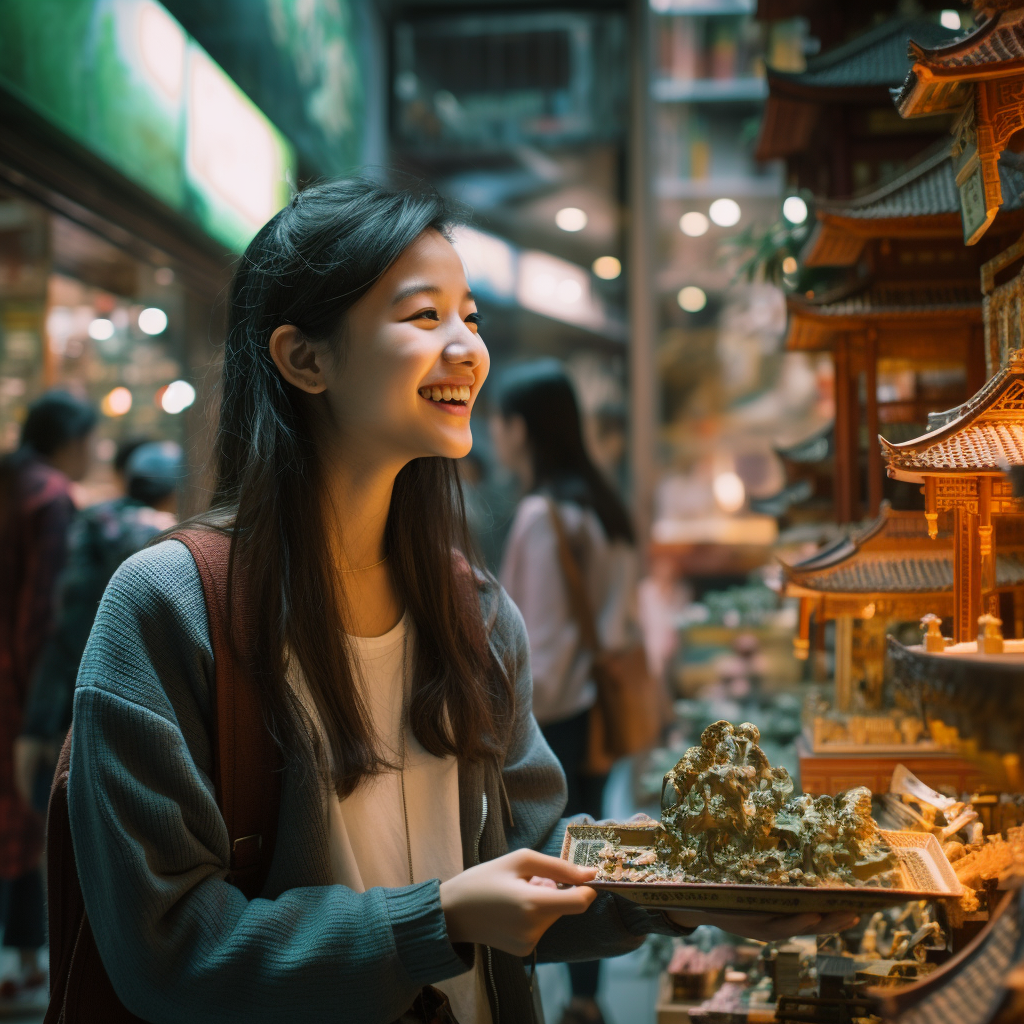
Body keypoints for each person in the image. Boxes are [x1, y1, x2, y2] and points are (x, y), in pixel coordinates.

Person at [67, 180, 856, 1024]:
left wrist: (697, 890)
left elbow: (530, 857)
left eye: (470, 317)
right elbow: (167, 946)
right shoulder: (168, 609)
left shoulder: (472, 609)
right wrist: (437, 920)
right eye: (422, 317)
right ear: (305, 359)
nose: (468, 349)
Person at [490, 360, 640, 1024]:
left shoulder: (541, 517)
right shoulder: (601, 507)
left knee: (561, 855)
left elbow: (540, 646)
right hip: (597, 708)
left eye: (498, 421)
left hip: (555, 716)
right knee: (592, 850)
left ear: (520, 428)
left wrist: (508, 731)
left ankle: (569, 1003)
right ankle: (587, 997)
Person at [14, 440, 183, 802]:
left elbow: (66, 631)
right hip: (147, 726)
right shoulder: (175, 540)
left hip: (76, 716)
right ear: (174, 493)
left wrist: (36, 725)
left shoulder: (96, 524)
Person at [0, 389, 96, 1006]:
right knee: (31, 816)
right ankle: (29, 961)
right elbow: (46, 611)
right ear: (67, 441)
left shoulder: (12, 483)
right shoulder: (51, 496)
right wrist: (43, 711)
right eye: (89, 440)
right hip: (20, 685)